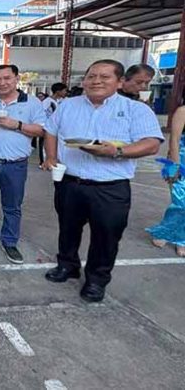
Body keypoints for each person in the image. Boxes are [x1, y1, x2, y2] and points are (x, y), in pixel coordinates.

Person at [43, 59, 162, 303]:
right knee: (68, 228)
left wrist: (116, 151)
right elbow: (51, 131)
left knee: (106, 236)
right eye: (91, 76)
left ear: (120, 82)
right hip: (70, 182)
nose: (96, 81)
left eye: (104, 77)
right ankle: (67, 265)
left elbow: (151, 144)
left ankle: (96, 280)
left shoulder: (136, 110)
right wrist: (52, 157)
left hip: (110, 187)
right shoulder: (68, 105)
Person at [0, 64, 46, 264]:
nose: (2, 83)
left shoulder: (32, 103)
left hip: (15, 165)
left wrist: (18, 125)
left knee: (12, 206)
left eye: (7, 78)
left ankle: (9, 242)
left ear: (17, 79)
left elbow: (41, 130)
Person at [147, 104, 185, 256]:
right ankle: (170, 235)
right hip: (180, 161)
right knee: (180, 202)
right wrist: (174, 166)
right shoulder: (183, 111)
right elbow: (174, 140)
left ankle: (174, 235)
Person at [38, 83, 68, 164]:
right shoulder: (47, 102)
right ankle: (43, 162)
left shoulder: (59, 101)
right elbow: (42, 114)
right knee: (44, 146)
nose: (65, 92)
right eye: (64, 90)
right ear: (58, 91)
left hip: (56, 129)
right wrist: (44, 125)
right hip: (46, 128)